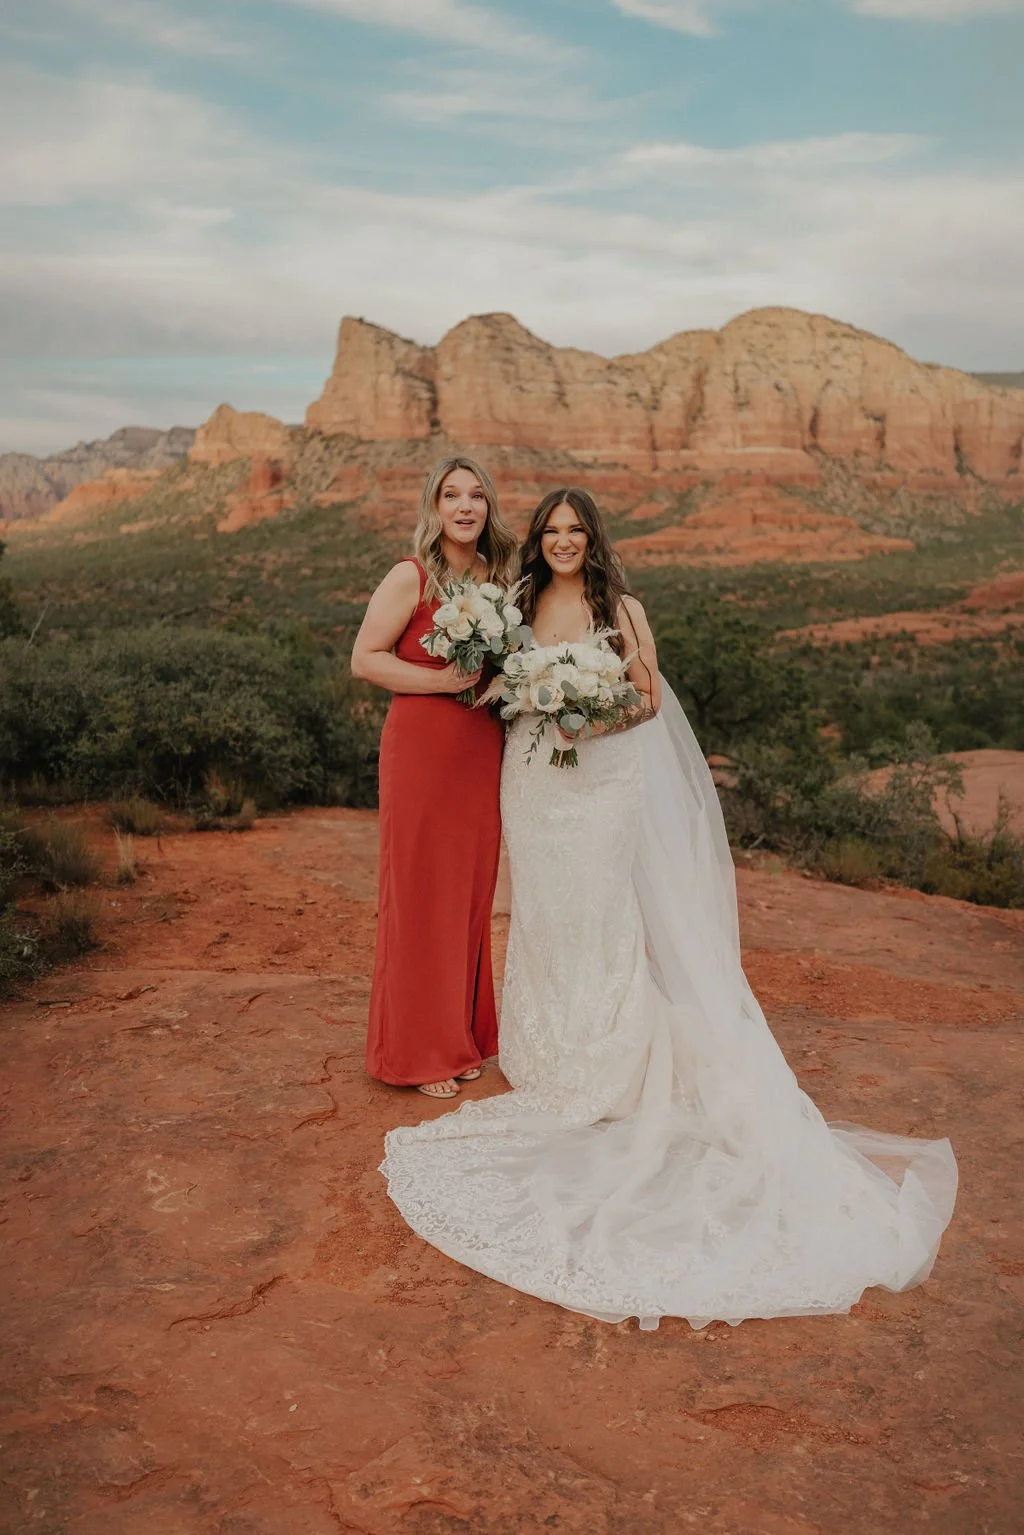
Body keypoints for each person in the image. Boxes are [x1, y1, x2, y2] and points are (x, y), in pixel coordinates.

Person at [379, 486, 958, 1329]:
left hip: (602, 781)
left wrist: (585, 713)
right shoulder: (515, 601)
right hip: (532, 782)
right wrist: (526, 700)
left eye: (577, 530)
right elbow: (492, 684)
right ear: (538, 540)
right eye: (553, 530)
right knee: (542, 909)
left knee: (604, 910)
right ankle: (545, 1052)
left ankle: (608, 1057)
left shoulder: (623, 606)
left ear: (592, 539)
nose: (565, 541)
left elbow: (646, 698)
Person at [352, 456, 518, 1099]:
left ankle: (458, 1038)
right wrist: (441, 681)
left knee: (468, 896)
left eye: (477, 495)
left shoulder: (495, 580)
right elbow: (365, 659)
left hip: (480, 749)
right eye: (452, 495)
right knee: (420, 894)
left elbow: (502, 665)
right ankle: (415, 1053)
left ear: (488, 507)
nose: (466, 506)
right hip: (422, 751)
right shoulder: (411, 576)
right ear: (435, 507)